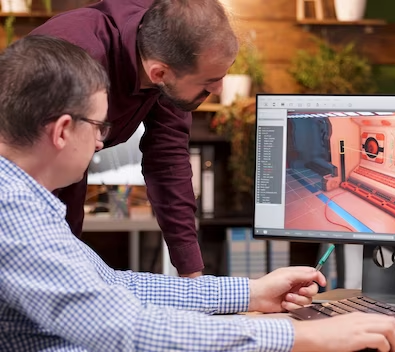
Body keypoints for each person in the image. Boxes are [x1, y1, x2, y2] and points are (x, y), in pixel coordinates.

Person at [0, 35, 395, 352]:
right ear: (62, 131)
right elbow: (127, 328)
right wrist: (299, 336)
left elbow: (112, 287)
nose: (100, 143)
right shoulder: (14, 208)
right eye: (99, 127)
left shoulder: (23, 198)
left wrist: (249, 292)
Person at [27, 0, 244, 278]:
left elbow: (168, 160)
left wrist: (193, 275)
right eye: (209, 81)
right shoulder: (74, 56)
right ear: (160, 74)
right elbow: (40, 167)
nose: (218, 90)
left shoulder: (171, 51)